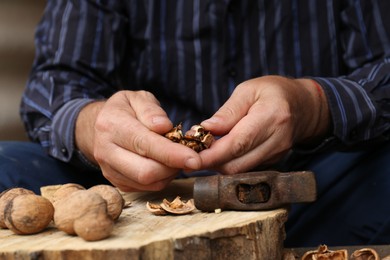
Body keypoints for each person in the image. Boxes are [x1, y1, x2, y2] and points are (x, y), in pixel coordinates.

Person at [1, 0, 389, 247]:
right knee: (6, 166)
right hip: (141, 197)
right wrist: (94, 126)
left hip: (308, 189)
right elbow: (56, 81)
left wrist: (313, 104)